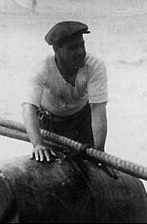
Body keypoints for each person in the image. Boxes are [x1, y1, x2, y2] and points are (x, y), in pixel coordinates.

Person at [22, 21, 108, 162]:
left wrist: (99, 152)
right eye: (73, 48)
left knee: (89, 166)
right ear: (56, 50)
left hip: (82, 120)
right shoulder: (42, 68)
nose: (80, 52)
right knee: (51, 166)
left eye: (82, 45)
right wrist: (37, 144)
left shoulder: (95, 66)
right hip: (50, 123)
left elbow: (98, 109)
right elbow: (29, 107)